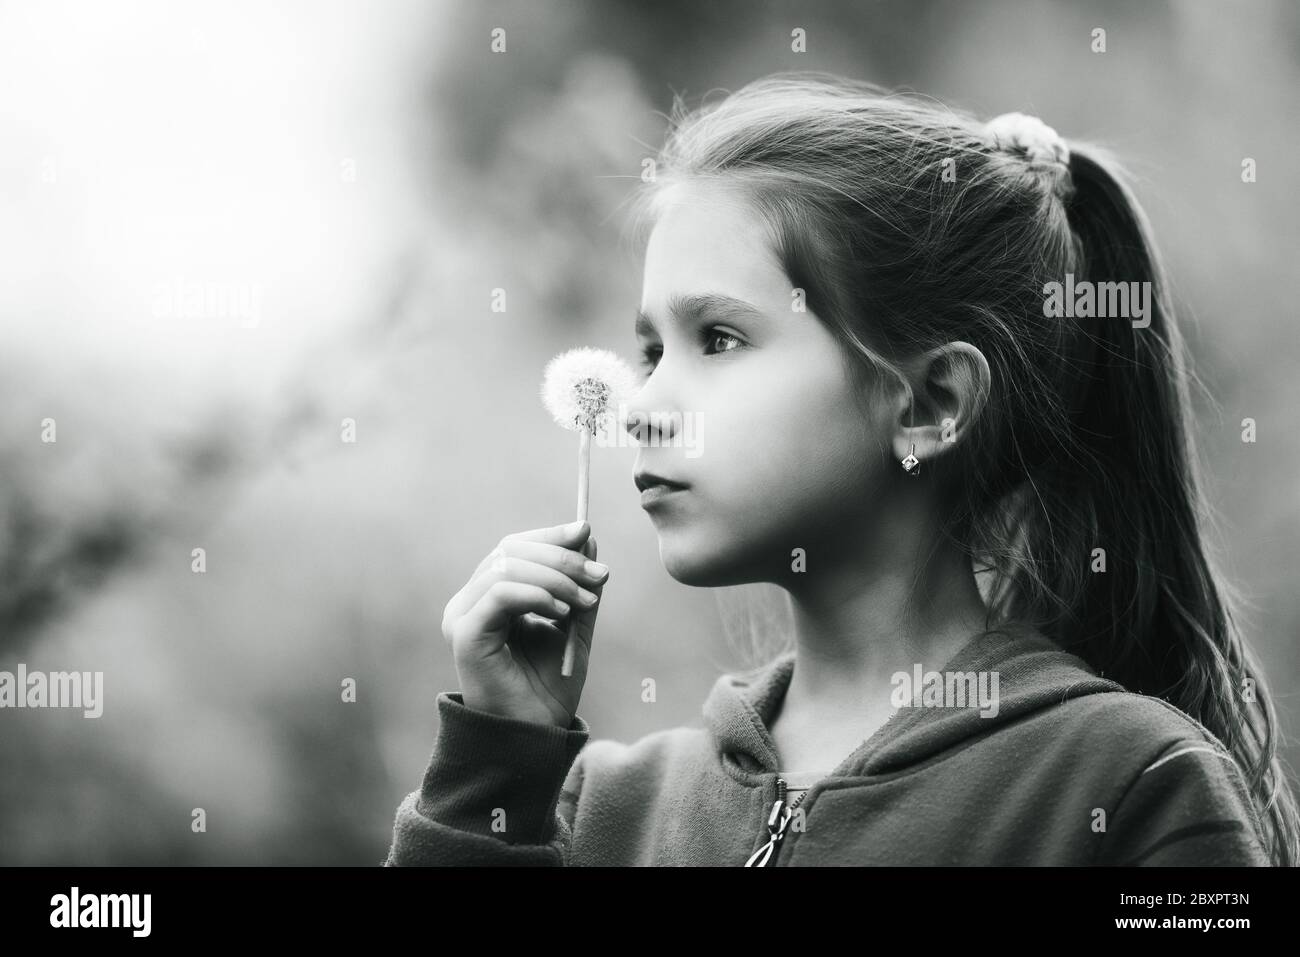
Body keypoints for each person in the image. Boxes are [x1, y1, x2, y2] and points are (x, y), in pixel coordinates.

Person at [384, 72, 1297, 866]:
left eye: (720, 338)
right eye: (652, 349)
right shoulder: (604, 806)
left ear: (931, 402)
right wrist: (495, 768)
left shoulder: (1130, 789)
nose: (643, 404)